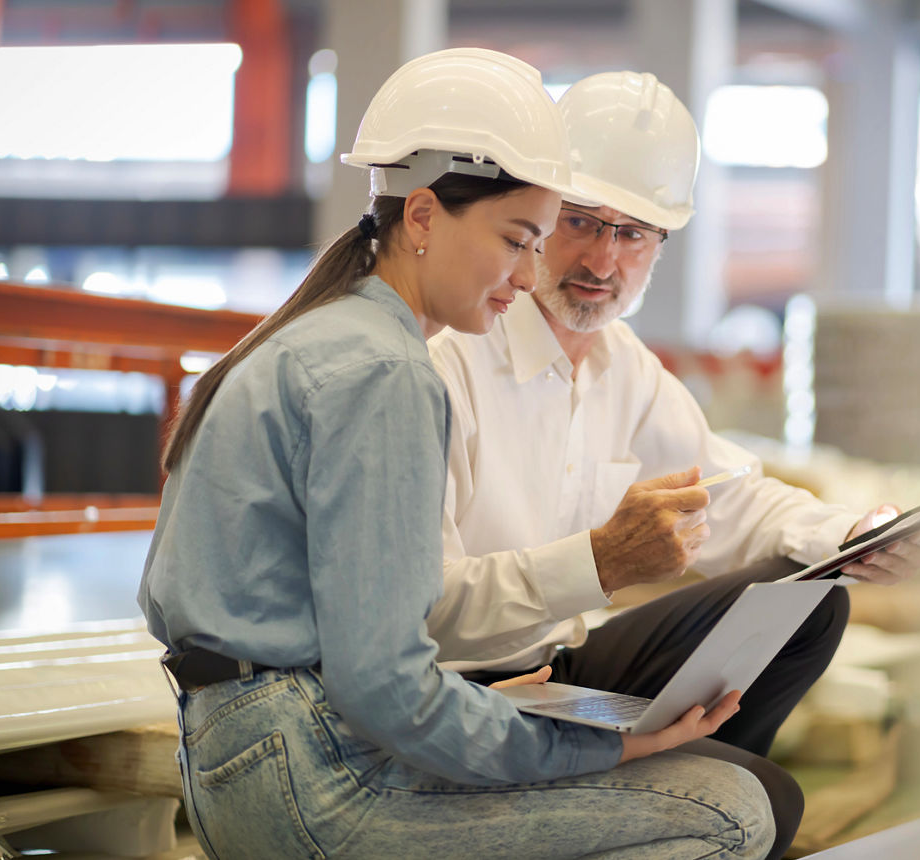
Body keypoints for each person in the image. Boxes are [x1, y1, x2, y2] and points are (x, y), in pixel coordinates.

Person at [139, 50, 775, 860]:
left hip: (242, 754)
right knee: (729, 808)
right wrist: (607, 747)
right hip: (312, 780)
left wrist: (480, 708)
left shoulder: (326, 335)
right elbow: (384, 688)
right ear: (426, 216)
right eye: (517, 240)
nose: (527, 275)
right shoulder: (390, 371)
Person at [427, 71, 920, 858]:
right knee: (770, 801)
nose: (604, 258)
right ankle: (686, 808)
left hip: (555, 674)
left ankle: (672, 802)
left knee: (810, 599)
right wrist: (594, 562)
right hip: (457, 693)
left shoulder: (620, 366)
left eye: (633, 234)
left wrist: (854, 531)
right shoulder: (451, 359)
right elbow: (417, 609)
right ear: (537, 214)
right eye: (585, 223)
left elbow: (726, 499)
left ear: (660, 245)